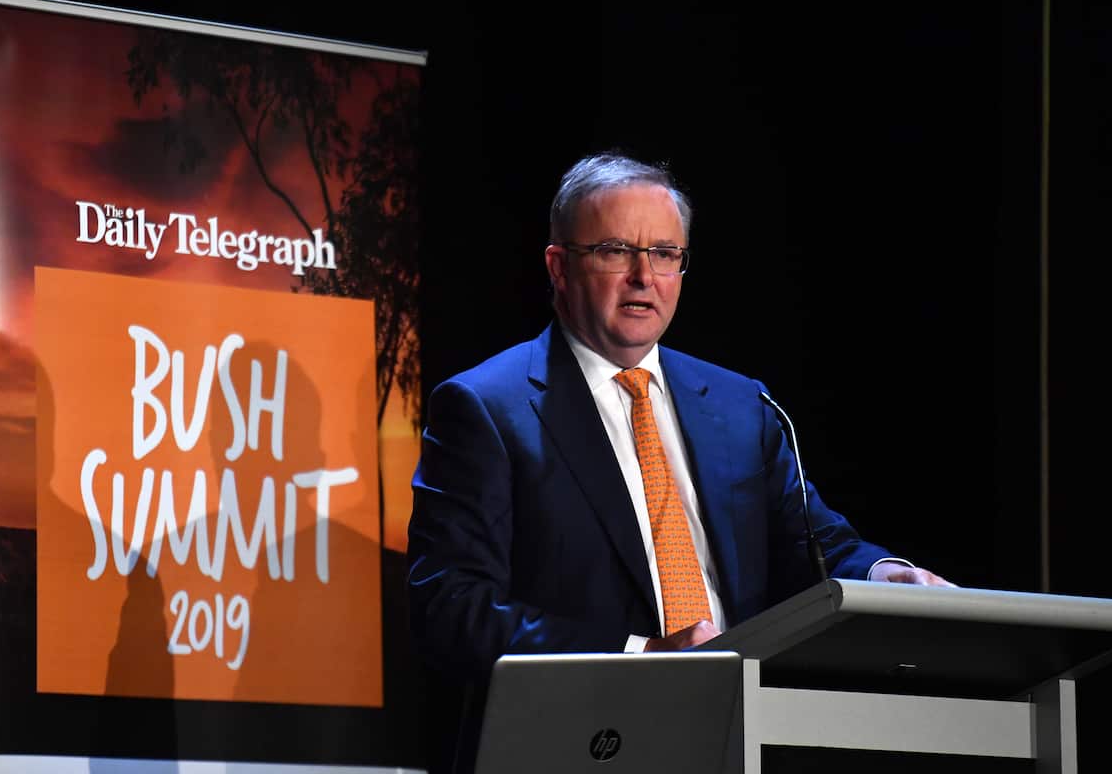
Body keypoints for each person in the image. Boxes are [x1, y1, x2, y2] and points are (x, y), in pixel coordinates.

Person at [406, 152, 953, 773]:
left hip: (748, 732)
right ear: (558, 266)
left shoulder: (739, 403)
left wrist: (883, 574)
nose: (644, 276)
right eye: (616, 250)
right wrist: (642, 655)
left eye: (665, 254)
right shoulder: (486, 407)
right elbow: (450, 605)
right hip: (581, 741)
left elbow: (815, 544)